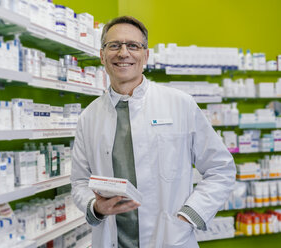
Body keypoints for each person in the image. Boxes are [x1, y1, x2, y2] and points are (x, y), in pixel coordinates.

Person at [70, 16, 236, 248]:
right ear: (102, 55)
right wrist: (95, 207)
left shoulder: (180, 104)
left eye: (133, 46)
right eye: (114, 45)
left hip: (169, 238)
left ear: (145, 56)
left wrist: (189, 215)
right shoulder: (88, 117)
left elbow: (220, 168)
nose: (123, 53)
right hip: (111, 240)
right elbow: (79, 181)